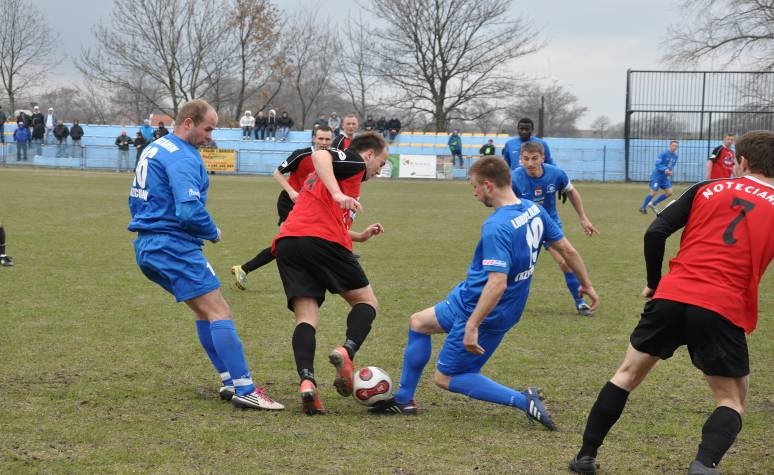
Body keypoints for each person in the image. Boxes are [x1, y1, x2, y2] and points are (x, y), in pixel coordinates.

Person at [567, 130, 774, 475]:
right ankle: (703, 466)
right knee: (732, 400)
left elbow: (655, 232)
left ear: (743, 161)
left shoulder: (705, 189)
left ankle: (585, 456)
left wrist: (653, 283)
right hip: (721, 305)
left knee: (626, 375)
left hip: (672, 293)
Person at [369, 156, 598, 425]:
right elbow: (567, 250)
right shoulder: (532, 209)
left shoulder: (496, 225)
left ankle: (523, 400)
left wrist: (472, 325)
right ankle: (404, 400)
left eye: (475, 187)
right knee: (418, 322)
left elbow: (497, 283)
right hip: (469, 296)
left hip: (485, 309)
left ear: (488, 185)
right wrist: (587, 284)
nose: (474, 193)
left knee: (448, 377)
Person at [128, 99, 284, 411]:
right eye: (207, 128)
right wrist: (212, 232)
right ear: (187, 122)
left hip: (148, 245)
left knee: (204, 312)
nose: (210, 135)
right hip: (173, 245)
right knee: (220, 312)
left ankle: (229, 380)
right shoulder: (184, 158)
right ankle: (245, 388)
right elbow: (188, 210)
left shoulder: (156, 146)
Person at [271, 131, 388, 415]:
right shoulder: (355, 162)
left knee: (306, 318)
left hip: (289, 242)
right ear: (369, 154)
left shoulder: (330, 176)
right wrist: (337, 193)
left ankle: (307, 383)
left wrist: (359, 236)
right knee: (366, 302)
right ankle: (347, 352)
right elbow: (320, 154)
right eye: (381, 163)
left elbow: (320, 212)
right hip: (320, 241)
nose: (379, 170)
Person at [231, 125, 335, 290]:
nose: (323, 142)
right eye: (320, 138)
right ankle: (245, 269)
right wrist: (292, 192)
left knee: (295, 242)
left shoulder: (333, 157)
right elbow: (277, 173)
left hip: (310, 206)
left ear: (332, 140)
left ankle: (244, 268)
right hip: (290, 203)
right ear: (314, 138)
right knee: (289, 243)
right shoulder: (301, 154)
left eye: (327, 139)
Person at [512, 141, 600, 316]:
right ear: (520, 158)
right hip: (525, 225)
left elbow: (572, 192)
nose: (530, 163)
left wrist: (583, 218)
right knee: (518, 265)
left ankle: (580, 302)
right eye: (525, 159)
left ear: (543, 158)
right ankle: (504, 303)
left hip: (549, 223)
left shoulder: (556, 174)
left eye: (534, 158)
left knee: (565, 262)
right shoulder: (514, 178)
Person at [639, 140, 678, 214]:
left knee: (669, 192)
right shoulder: (663, 154)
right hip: (657, 176)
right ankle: (643, 208)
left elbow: (671, 166)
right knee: (653, 193)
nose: (674, 147)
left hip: (664, 178)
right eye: (673, 146)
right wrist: (665, 169)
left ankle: (653, 204)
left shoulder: (675, 156)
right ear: (670, 146)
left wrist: (670, 171)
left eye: (676, 146)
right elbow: (657, 164)